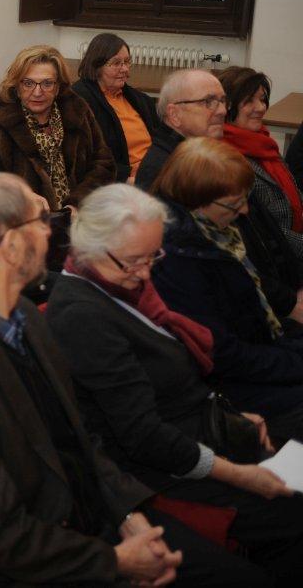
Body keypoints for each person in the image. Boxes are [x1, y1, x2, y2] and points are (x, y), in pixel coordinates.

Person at [0, 172, 189, 585]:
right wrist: (117, 562)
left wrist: (127, 514)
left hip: (80, 523)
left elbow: (77, 436)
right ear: (11, 245)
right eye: (40, 219)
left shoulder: (23, 316)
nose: (52, 231)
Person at [48, 183, 303, 583]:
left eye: (153, 256)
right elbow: (143, 435)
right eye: (134, 261)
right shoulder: (82, 316)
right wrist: (239, 474)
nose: (146, 272)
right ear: (89, 247)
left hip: (198, 437)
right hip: (161, 471)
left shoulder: (124, 286)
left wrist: (234, 420)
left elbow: (181, 385)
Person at [150, 137, 303, 442]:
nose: (245, 210)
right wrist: (295, 360)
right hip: (224, 386)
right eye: (234, 204)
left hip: (254, 357)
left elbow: (254, 318)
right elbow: (222, 354)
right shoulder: (178, 259)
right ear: (197, 199)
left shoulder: (212, 232)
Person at [0, 44, 115, 211]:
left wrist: (78, 203)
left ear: (58, 87)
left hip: (79, 216)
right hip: (21, 218)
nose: (37, 92)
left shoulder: (78, 113)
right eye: (28, 83)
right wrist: (22, 197)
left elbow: (103, 164)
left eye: (47, 83)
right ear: (16, 86)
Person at [218, 66, 303, 261]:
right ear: (227, 105)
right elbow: (265, 234)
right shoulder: (225, 160)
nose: (261, 107)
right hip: (274, 259)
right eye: (249, 101)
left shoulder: (262, 143)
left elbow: (296, 197)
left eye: (263, 99)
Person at [71, 33, 163, 182]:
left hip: (154, 171)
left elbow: (161, 137)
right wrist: (126, 177)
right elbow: (84, 157)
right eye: (116, 63)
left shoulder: (140, 99)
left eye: (127, 62)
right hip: (121, 180)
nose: (125, 69)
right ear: (97, 66)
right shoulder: (79, 100)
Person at [135, 68, 227, 190]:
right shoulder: (165, 172)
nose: (222, 111)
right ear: (174, 114)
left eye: (222, 101)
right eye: (208, 101)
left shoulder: (193, 155)